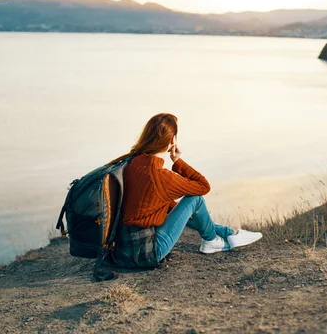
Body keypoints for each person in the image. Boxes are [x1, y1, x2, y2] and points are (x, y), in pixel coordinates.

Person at [107, 113, 262, 268]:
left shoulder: (134, 163)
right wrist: (177, 160)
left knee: (184, 208)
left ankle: (229, 234)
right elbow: (203, 186)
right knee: (195, 199)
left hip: (122, 251)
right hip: (146, 254)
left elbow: (167, 206)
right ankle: (211, 240)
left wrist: (189, 215)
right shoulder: (160, 177)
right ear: (172, 140)